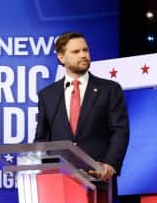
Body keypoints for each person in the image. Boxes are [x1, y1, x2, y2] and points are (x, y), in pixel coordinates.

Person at [34, 32, 130, 182]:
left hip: (98, 178)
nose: (83, 55)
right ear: (61, 57)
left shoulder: (110, 90)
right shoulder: (47, 95)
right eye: (76, 51)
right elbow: (41, 138)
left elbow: (120, 131)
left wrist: (110, 164)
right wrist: (36, 164)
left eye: (85, 50)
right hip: (58, 181)